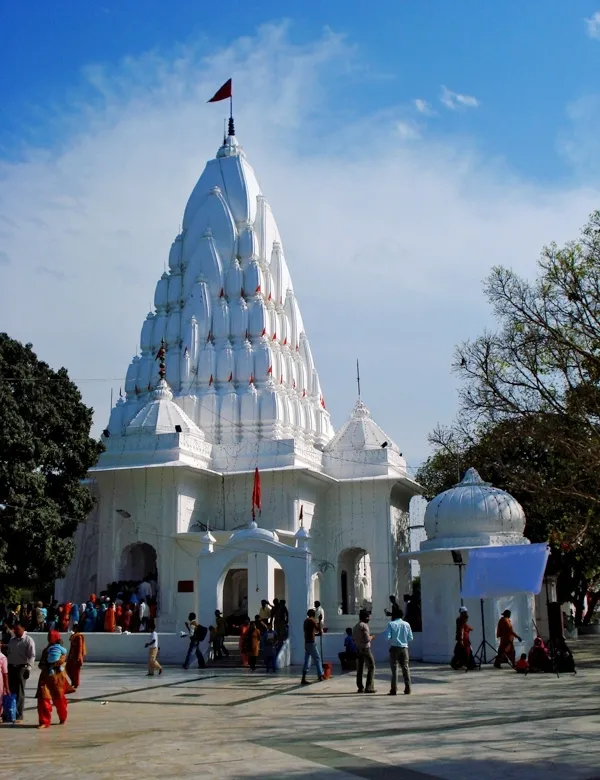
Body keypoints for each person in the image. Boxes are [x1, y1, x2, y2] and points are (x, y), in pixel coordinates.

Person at [36, 630, 73, 728]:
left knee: (59, 699)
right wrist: (45, 666)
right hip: (45, 677)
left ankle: (63, 717)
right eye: (48, 636)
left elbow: (61, 660)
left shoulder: (61, 649)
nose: (49, 638)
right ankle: (44, 721)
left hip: (57, 677)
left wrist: (52, 664)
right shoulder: (46, 650)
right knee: (43, 699)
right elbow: (40, 664)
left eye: (51, 636)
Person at [6, 622, 36, 723]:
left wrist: (28, 668)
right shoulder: (12, 640)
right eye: (14, 629)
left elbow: (32, 655)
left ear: (23, 628)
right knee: (10, 691)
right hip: (11, 668)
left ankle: (19, 714)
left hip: (21, 668)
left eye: (18, 629)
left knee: (20, 692)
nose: (16, 631)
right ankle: (10, 713)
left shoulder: (28, 640)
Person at [386, 608, 413, 695]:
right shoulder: (407, 624)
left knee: (394, 670)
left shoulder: (391, 624)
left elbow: (387, 637)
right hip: (404, 648)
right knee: (405, 668)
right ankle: (408, 688)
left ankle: (394, 689)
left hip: (394, 648)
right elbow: (410, 638)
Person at [352, 609, 376, 693]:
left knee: (360, 669)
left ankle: (360, 687)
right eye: (368, 617)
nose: (369, 619)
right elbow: (367, 639)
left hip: (358, 649)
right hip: (365, 649)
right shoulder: (364, 626)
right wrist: (372, 637)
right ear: (365, 618)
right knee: (371, 667)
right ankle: (369, 687)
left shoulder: (355, 626)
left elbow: (353, 638)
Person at [301, 608, 324, 685]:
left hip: (307, 643)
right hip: (311, 643)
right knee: (317, 658)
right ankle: (320, 675)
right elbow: (318, 629)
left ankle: (303, 678)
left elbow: (311, 632)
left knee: (307, 660)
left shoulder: (305, 621)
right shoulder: (311, 620)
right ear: (313, 615)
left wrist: (316, 634)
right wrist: (320, 620)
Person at [450, 606, 476, 671]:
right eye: (465, 612)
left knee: (463, 652)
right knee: (465, 652)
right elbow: (461, 629)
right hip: (463, 639)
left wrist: (469, 628)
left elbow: (465, 627)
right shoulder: (460, 620)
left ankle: (471, 664)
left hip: (463, 639)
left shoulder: (461, 620)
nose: (467, 614)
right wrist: (461, 639)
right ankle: (468, 664)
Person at [66, 624, 87, 689]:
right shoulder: (74, 636)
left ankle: (76, 683)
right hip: (72, 656)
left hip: (76, 656)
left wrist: (78, 657)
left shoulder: (79, 637)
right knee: (68, 668)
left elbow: (80, 648)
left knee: (76, 671)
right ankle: (73, 681)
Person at [0, 645, 10, 721]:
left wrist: (6, 687)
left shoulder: (2, 657)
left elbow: (5, 673)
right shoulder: (2, 657)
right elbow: (5, 673)